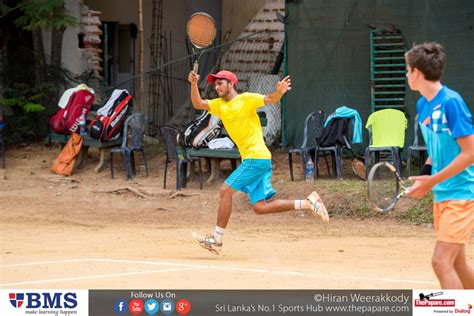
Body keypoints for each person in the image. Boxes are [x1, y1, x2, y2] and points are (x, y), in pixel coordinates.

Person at [188, 70, 329, 255]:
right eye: (215, 84)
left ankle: (216, 239)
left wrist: (280, 91)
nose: (217, 87)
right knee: (260, 207)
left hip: (256, 157)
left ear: (231, 83)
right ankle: (308, 203)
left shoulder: (246, 99)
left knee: (225, 191)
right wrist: (193, 84)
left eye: (220, 83)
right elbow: (198, 103)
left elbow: (270, 99)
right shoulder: (219, 105)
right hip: (256, 159)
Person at [405, 42, 474, 289]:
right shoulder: (424, 104)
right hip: (442, 195)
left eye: (407, 69)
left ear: (417, 73)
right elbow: (438, 150)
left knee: (441, 262)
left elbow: (470, 153)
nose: (406, 75)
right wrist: (424, 176)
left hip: (462, 194)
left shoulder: (451, 103)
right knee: (457, 265)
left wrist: (431, 181)